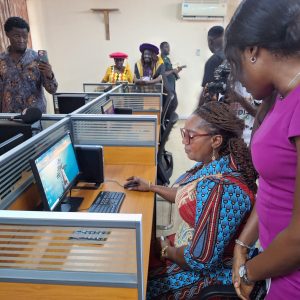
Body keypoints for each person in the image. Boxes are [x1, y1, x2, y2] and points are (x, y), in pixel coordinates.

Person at [124, 101, 258, 299]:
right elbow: (185, 193)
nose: (184, 141)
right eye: (183, 133)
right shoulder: (217, 163)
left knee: (134, 284)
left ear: (216, 140)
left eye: (190, 136)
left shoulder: (222, 188)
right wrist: (151, 187)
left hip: (211, 272)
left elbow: (199, 260)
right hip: (190, 243)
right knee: (134, 251)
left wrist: (167, 252)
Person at [225, 0, 300, 299]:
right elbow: (271, 185)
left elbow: (298, 239)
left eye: (235, 65)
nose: (237, 78)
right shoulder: (278, 97)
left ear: (253, 51)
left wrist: (248, 272)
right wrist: (243, 245)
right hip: (270, 264)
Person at [0, 17, 58, 113]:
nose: (22, 40)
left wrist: (49, 74)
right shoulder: (1, 60)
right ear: (7, 34)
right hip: (9, 118)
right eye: (17, 36)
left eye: (25, 36)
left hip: (35, 117)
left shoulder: (37, 58)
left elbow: (52, 90)